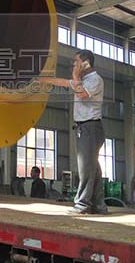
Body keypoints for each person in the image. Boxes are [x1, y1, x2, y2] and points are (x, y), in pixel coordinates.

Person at [39, 50, 107, 214]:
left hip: (90, 127)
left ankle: (82, 204)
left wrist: (76, 76)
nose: (73, 64)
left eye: (76, 61)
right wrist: (40, 79)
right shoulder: (83, 80)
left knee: (86, 168)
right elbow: (63, 82)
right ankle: (98, 205)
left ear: (86, 63)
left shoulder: (95, 80)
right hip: (86, 128)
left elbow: (81, 94)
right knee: (93, 168)